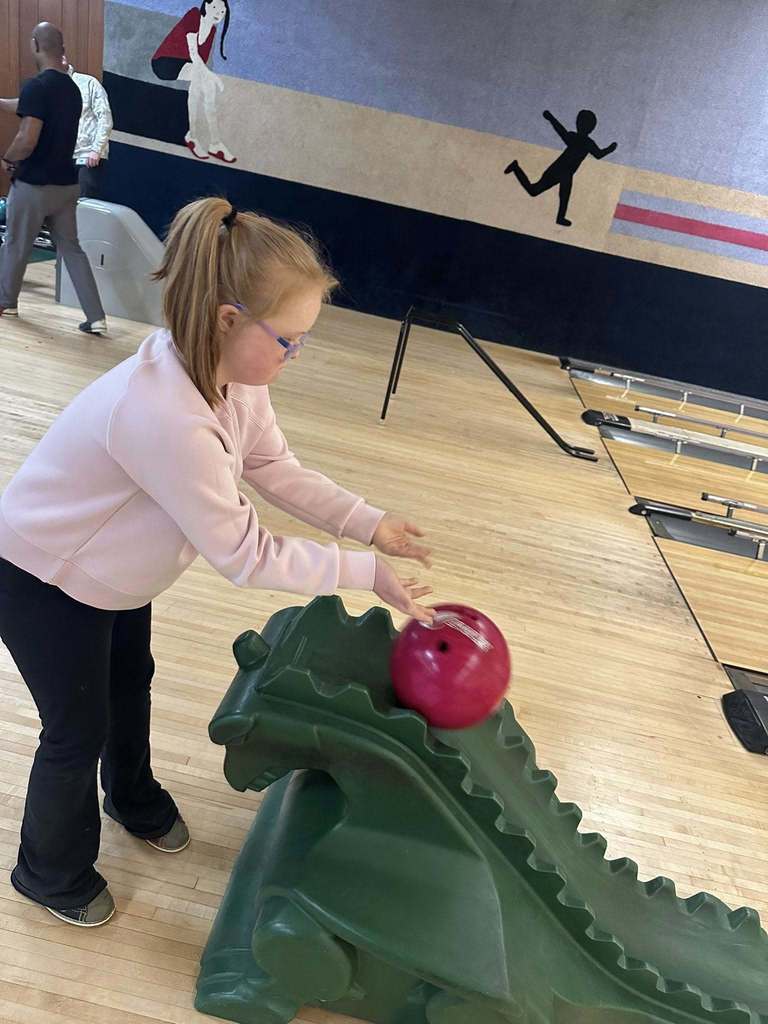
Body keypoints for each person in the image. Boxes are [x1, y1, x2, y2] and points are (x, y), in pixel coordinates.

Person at [0, 196, 434, 928]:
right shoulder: (165, 413)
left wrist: (369, 523)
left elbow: (273, 466)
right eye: (290, 339)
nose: (297, 354)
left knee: (131, 683)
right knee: (76, 730)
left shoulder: (235, 381)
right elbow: (245, 553)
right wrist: (365, 574)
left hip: (111, 577)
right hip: (43, 579)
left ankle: (131, 797)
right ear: (229, 319)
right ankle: (49, 873)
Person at [0, 23, 106, 333]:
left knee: (16, 244)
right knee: (72, 249)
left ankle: (6, 303)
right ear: (62, 49)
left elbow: (27, 137)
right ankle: (96, 317)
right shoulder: (72, 89)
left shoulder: (36, 86)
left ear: (35, 44)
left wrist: (8, 158)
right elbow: (31, 105)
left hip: (34, 186)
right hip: (67, 185)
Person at [151, 0, 236, 164]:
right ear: (206, 6)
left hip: (186, 65)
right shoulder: (194, 15)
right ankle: (198, 137)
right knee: (203, 78)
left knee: (204, 83)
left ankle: (212, 141)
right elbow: (194, 53)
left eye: (222, 11)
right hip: (165, 62)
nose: (218, 13)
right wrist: (212, 76)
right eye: (215, 8)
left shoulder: (212, 30)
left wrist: (208, 76)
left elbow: (201, 61)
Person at [504, 109, 618, 227]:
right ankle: (516, 168)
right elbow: (561, 131)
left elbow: (598, 154)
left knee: (560, 193)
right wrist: (610, 149)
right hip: (558, 170)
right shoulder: (576, 138)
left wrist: (610, 149)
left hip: (565, 172)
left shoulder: (587, 142)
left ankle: (560, 217)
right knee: (536, 191)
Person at [65, 59, 113, 199]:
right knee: (62, 202)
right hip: (62, 157)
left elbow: (105, 117)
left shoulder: (88, 83)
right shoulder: (51, 88)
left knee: (84, 201)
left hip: (88, 155)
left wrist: (96, 149)